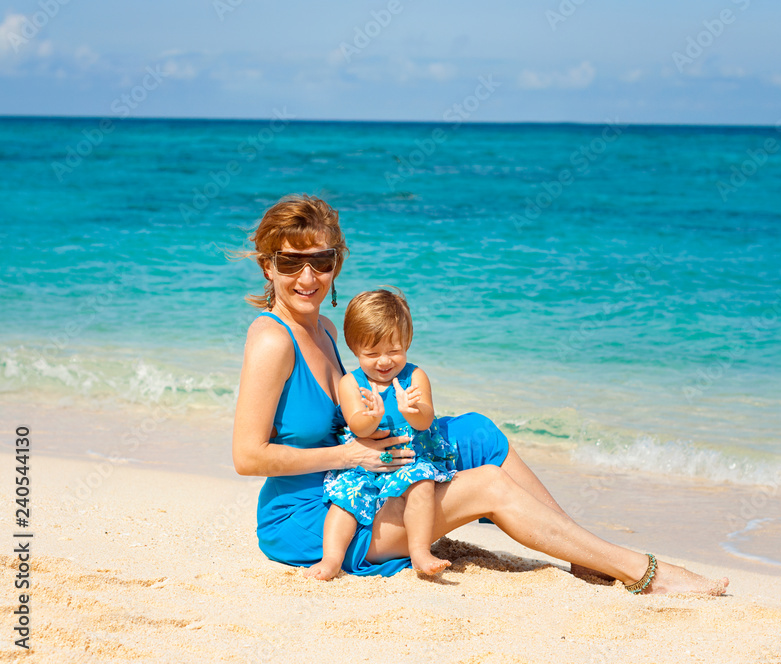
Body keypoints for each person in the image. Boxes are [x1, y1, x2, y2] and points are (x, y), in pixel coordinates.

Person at [232, 193, 729, 595]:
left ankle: (581, 556)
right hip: (310, 519)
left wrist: (395, 421)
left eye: (321, 260)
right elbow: (247, 457)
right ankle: (645, 572)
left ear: (335, 262)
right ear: (266, 267)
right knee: (489, 483)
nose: (307, 276)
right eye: (290, 262)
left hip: (349, 477)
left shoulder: (321, 328)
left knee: (475, 431)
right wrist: (351, 453)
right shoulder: (273, 339)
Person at [309, 288, 458, 579]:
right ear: (354, 349)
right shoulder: (351, 383)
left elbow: (425, 420)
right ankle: (331, 560)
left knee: (423, 486)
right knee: (344, 502)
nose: (384, 361)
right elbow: (356, 426)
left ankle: (419, 552)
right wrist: (371, 418)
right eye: (372, 353)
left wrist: (412, 409)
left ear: (408, 342)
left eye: (394, 350)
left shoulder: (415, 376)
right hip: (365, 464)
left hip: (408, 459)